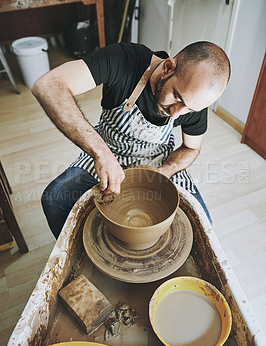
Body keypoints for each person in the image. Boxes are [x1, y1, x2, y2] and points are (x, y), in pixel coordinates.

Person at [32, 41, 230, 238]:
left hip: (156, 161)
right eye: (178, 98)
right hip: (108, 149)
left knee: (202, 225)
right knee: (54, 199)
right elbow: (48, 85)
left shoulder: (193, 101)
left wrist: (164, 171)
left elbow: (191, 148)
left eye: (190, 109)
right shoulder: (124, 59)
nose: (177, 114)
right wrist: (101, 153)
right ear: (168, 68)